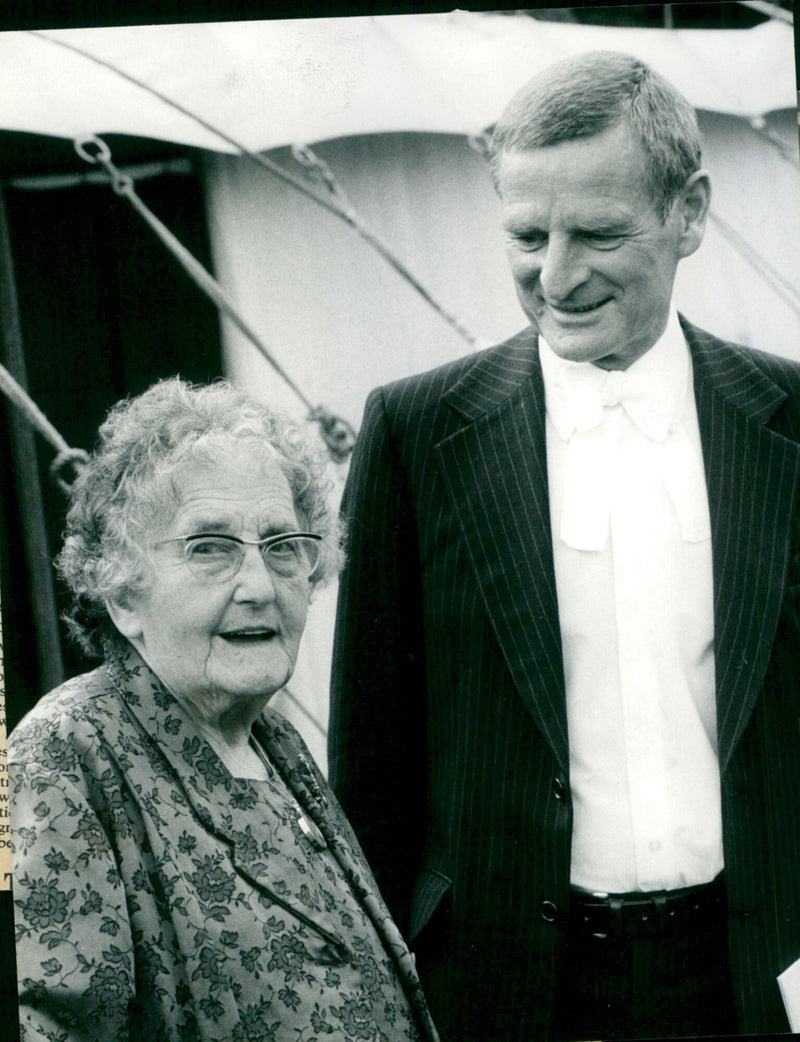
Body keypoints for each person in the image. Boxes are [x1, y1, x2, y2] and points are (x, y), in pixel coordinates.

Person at [328, 49, 800, 1042]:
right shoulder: (417, 434)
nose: (554, 275)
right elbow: (370, 758)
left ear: (689, 212)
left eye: (595, 232)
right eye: (525, 234)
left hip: (759, 974)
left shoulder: (789, 420)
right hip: (506, 989)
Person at [9, 377, 439, 1042]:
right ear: (122, 591)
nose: (260, 586)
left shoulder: (273, 741)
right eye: (210, 547)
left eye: (282, 546)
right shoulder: (64, 753)